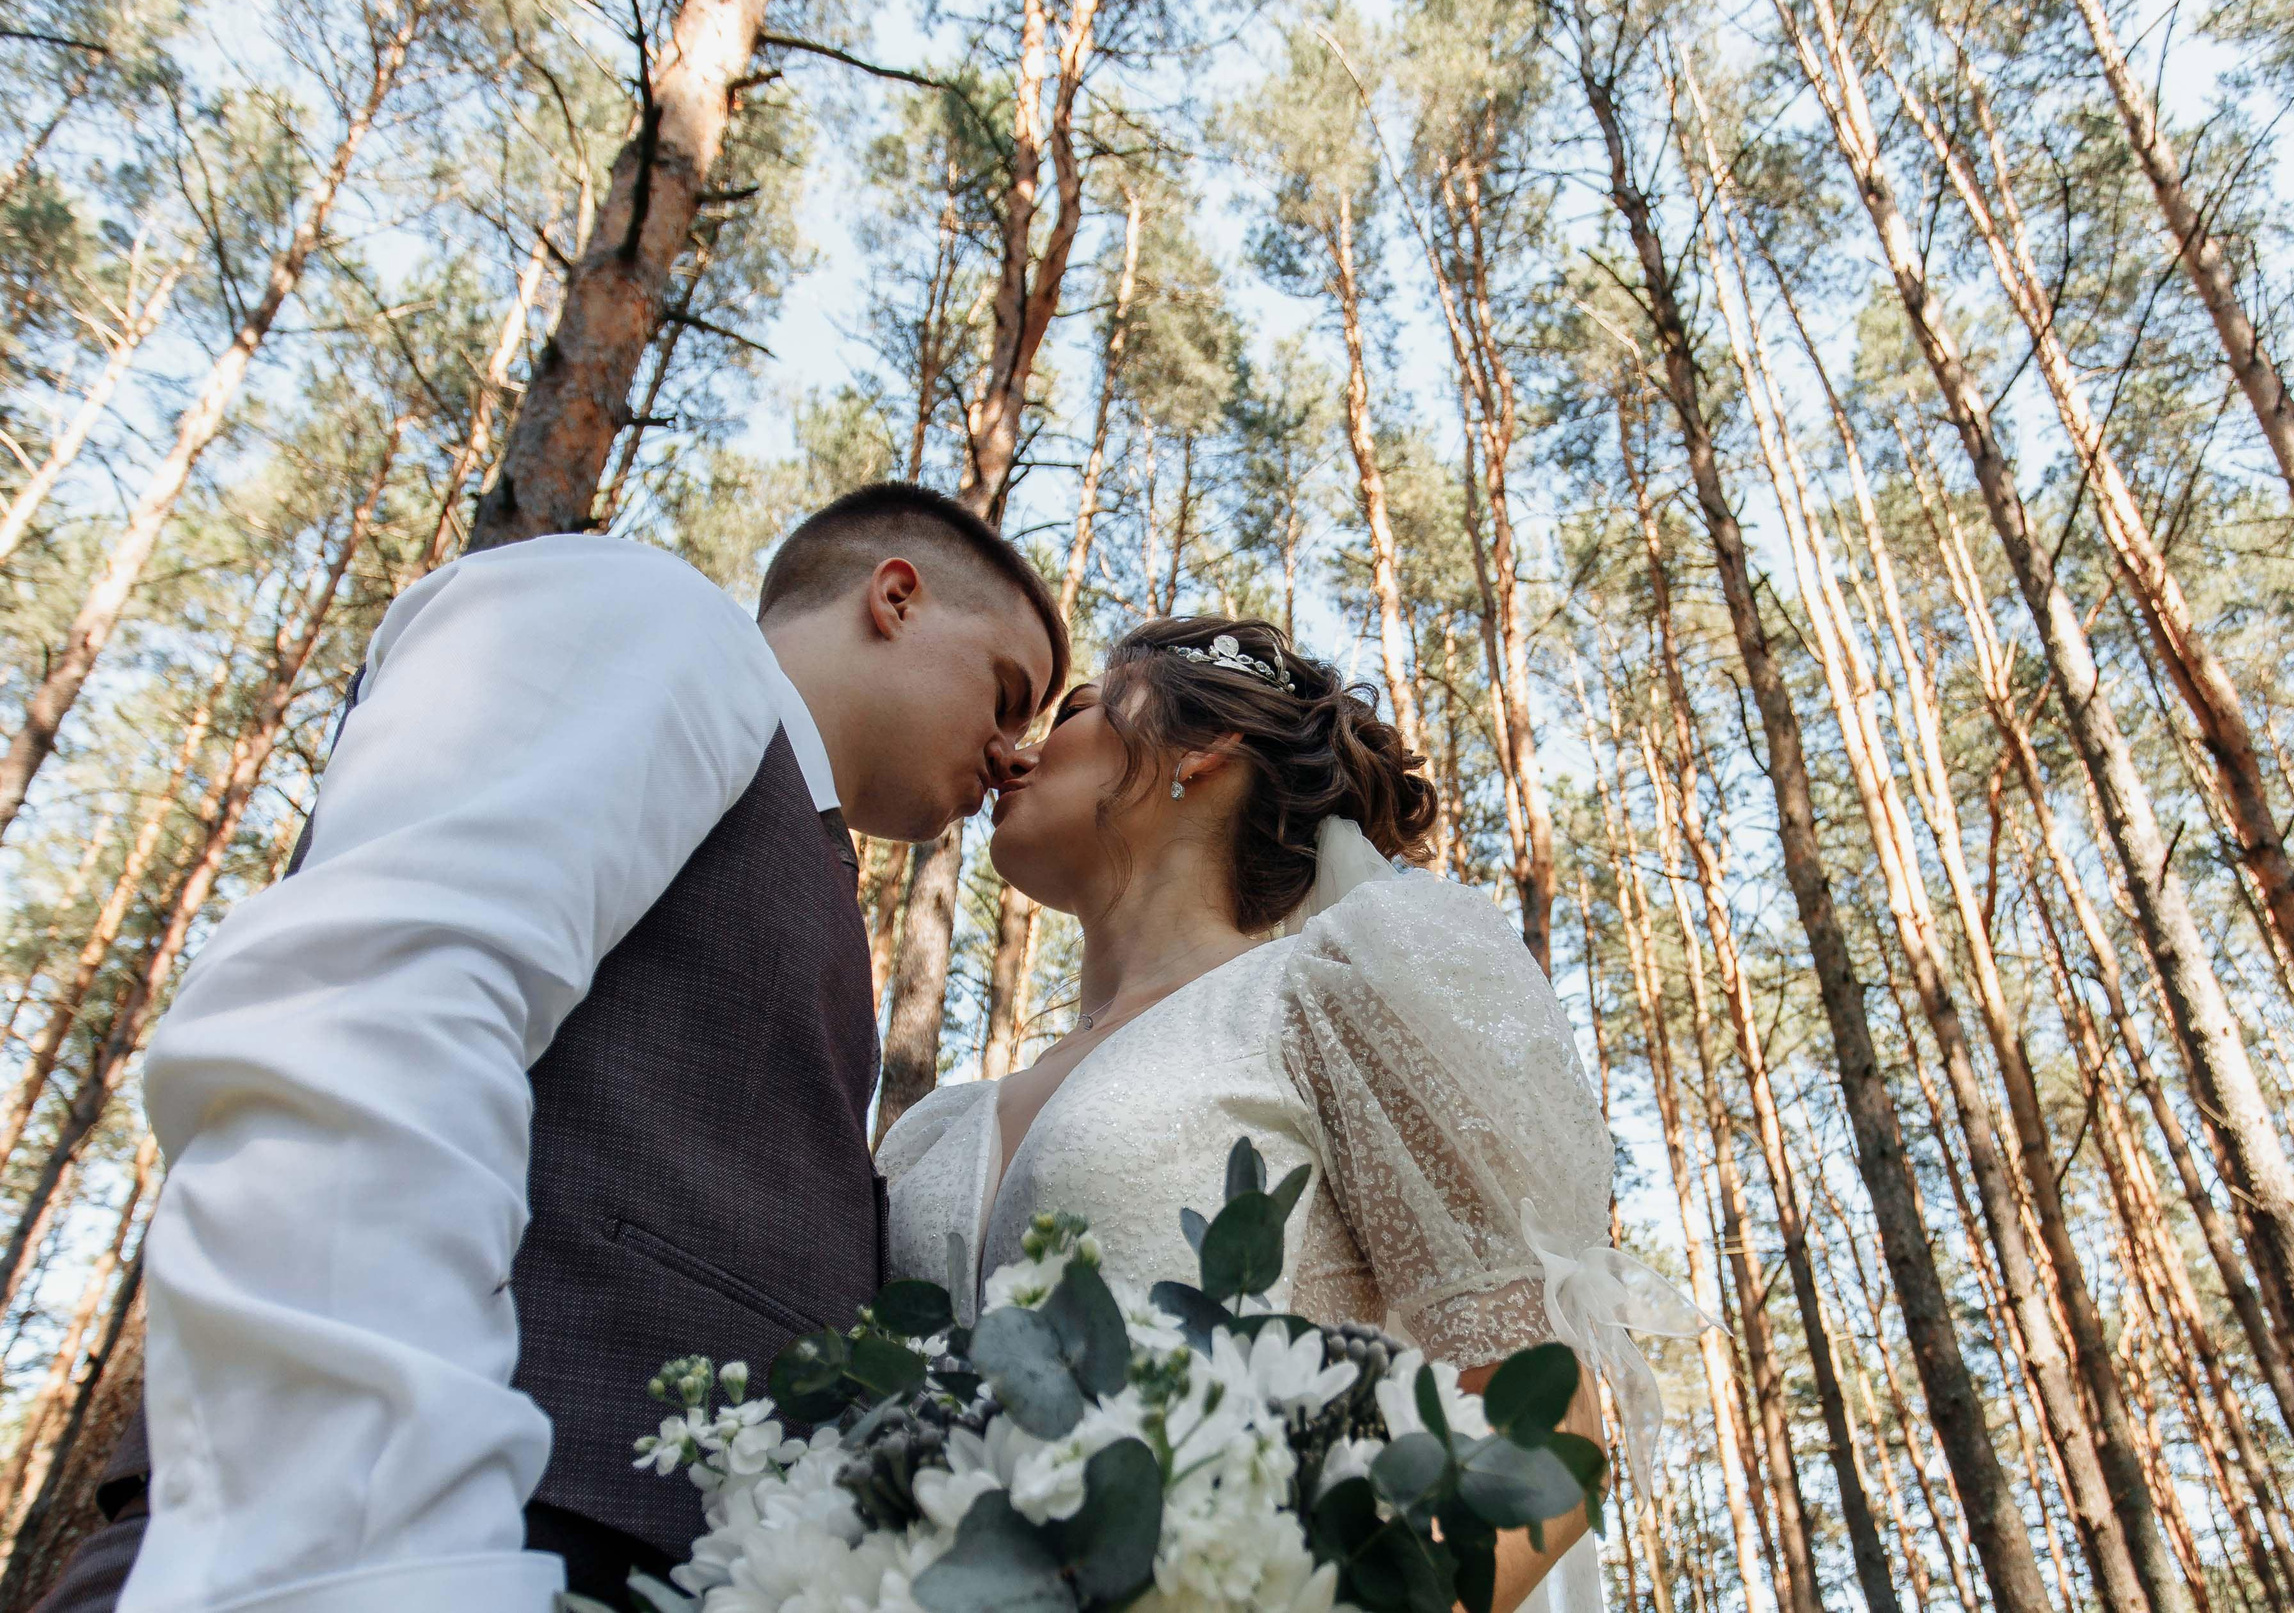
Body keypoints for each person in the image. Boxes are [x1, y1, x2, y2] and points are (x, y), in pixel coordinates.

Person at [36, 484, 1067, 1613]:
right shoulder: (647, 615)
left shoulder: (781, 826)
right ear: (897, 598)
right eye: (1008, 693)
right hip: (409, 1538)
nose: (1014, 755)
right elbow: (379, 999)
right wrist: (353, 1529)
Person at [877, 615, 1698, 1613]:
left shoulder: (1331, 1003)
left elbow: (1542, 1424)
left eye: (1079, 709)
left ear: (1203, 755)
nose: (1012, 751)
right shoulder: (931, 1131)